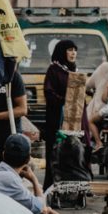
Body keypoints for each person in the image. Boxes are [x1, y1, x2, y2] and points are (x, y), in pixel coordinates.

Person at [42, 40, 77, 188]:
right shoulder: (54, 70)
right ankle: (50, 188)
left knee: (72, 153)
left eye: (75, 50)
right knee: (54, 154)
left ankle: (70, 189)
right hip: (56, 119)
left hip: (72, 119)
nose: (73, 53)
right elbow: (49, 93)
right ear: (62, 52)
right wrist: (64, 100)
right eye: (70, 50)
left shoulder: (73, 70)